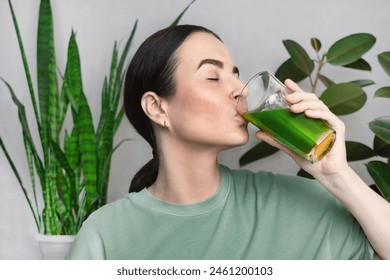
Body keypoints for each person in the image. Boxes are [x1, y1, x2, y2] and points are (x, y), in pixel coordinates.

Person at [67, 24, 390, 260]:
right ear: (157, 107)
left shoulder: (306, 205)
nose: (241, 90)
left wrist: (338, 176)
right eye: (212, 76)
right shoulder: (106, 235)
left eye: (236, 74)